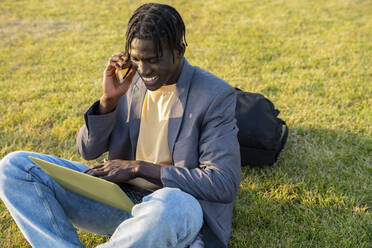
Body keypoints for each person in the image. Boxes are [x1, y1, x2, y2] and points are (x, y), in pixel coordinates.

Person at [0, 3, 241, 248]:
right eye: (136, 59)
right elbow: (88, 150)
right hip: (118, 199)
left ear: (179, 50)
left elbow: (222, 183)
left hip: (172, 212)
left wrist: (138, 168)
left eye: (153, 60)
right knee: (15, 167)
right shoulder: (129, 81)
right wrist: (108, 101)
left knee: (176, 204)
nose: (144, 70)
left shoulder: (214, 95)